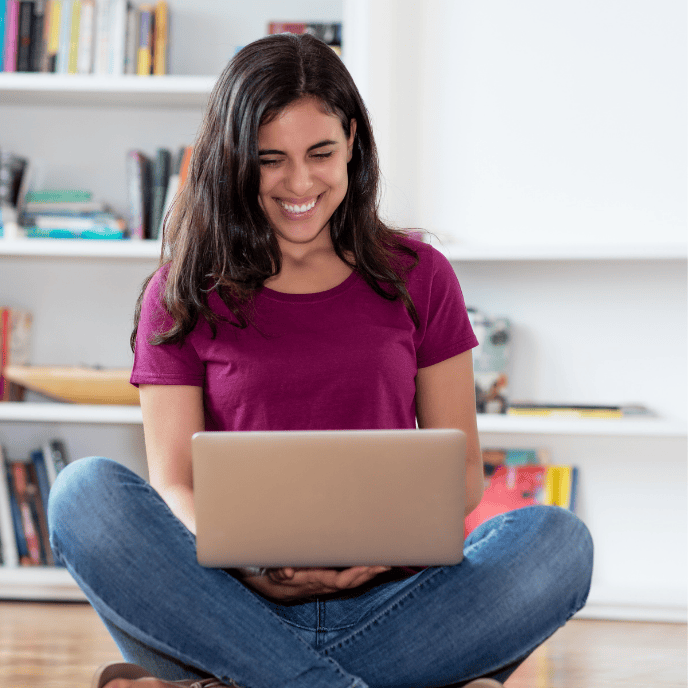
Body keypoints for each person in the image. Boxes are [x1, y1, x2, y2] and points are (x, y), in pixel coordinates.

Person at [48, 33, 593, 688]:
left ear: (354, 142)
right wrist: (254, 562)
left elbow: (464, 474)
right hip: (227, 606)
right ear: (232, 160)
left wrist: (379, 552)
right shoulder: (181, 293)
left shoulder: (421, 276)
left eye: (320, 153)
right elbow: (176, 486)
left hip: (398, 601)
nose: (299, 182)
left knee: (558, 544)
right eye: (270, 159)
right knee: (84, 495)